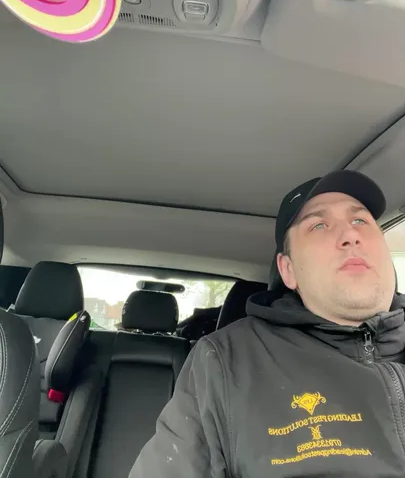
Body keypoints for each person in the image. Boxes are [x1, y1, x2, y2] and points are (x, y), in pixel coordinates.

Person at [130, 169, 404, 477]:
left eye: (360, 221)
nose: (351, 235)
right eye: (319, 225)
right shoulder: (225, 362)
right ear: (288, 271)